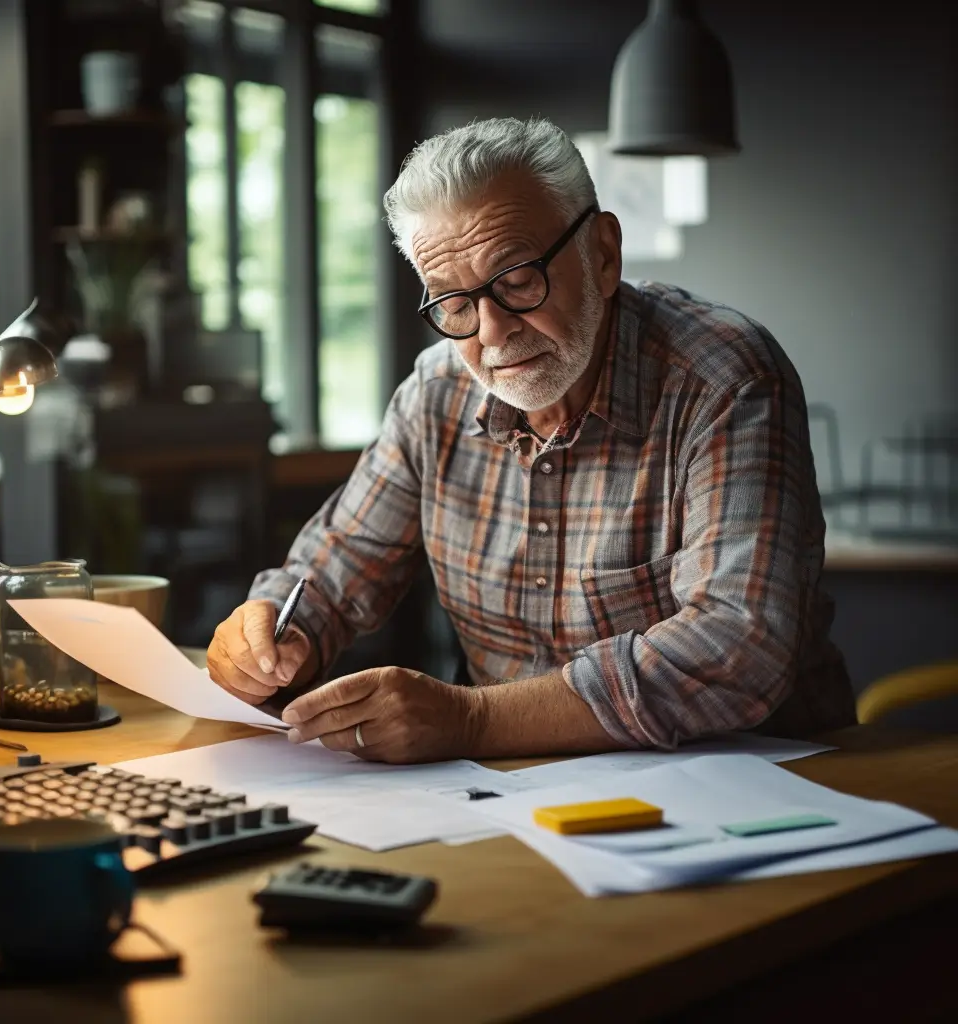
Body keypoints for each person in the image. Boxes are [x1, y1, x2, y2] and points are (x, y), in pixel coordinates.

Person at [206, 116, 855, 764]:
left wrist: (471, 719)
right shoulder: (435, 394)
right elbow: (331, 572)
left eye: (517, 281)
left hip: (753, 780)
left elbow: (737, 649)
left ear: (602, 254)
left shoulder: (724, 377)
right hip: (514, 796)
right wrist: (274, 634)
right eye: (453, 304)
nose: (490, 332)